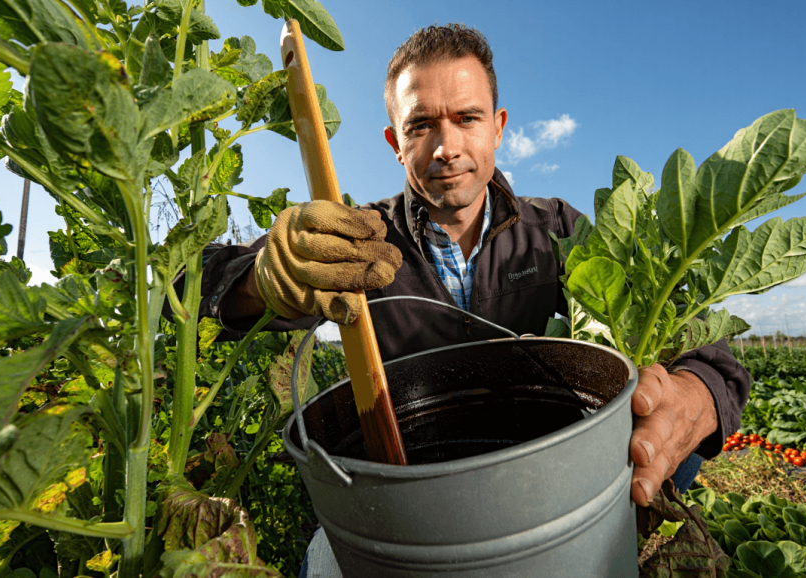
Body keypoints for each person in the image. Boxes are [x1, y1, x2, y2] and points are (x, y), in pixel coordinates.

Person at [182, 23, 750, 575]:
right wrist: (260, 279)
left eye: (467, 118)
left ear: (498, 127)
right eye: (421, 125)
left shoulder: (558, 231)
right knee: (330, 563)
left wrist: (693, 392)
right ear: (395, 144)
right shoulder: (355, 243)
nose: (447, 146)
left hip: (546, 487)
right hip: (408, 502)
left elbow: (708, 350)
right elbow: (181, 281)